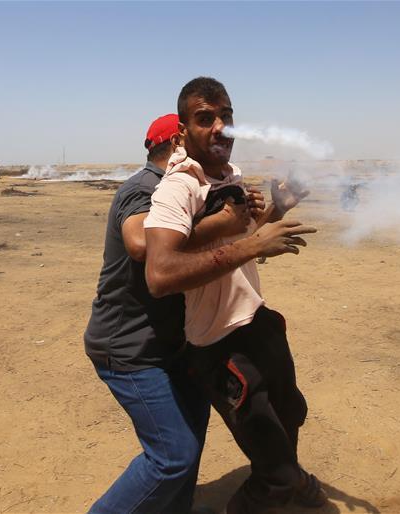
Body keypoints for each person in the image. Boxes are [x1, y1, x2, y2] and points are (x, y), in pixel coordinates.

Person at [144, 77, 324, 513]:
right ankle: (284, 483)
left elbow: (235, 242)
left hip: (256, 322)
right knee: (273, 476)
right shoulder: (177, 188)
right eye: (206, 118)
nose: (219, 126)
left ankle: (292, 476)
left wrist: (277, 210)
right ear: (184, 130)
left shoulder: (229, 176)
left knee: (289, 415)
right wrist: (252, 246)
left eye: (226, 116)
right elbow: (160, 273)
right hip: (218, 343)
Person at [84, 114, 264, 514]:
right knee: (173, 456)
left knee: (191, 441)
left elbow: (219, 246)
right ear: (177, 143)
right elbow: (140, 244)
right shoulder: (146, 187)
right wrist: (220, 223)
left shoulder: (188, 190)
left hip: (174, 344)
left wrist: (253, 214)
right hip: (131, 347)